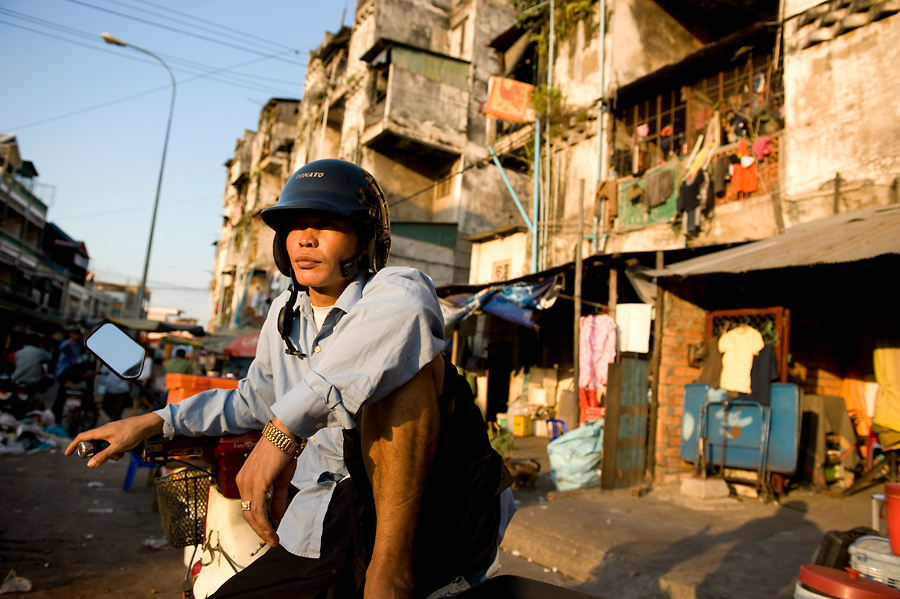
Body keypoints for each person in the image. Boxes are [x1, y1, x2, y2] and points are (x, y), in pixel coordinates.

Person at [66, 159, 513, 599]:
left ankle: (389, 576)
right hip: (325, 521)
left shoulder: (394, 289)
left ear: (363, 241)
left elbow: (408, 313)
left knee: (401, 366)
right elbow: (251, 400)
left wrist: (283, 432)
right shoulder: (283, 315)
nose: (306, 238)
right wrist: (154, 421)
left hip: (428, 518)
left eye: (327, 224)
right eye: (296, 225)